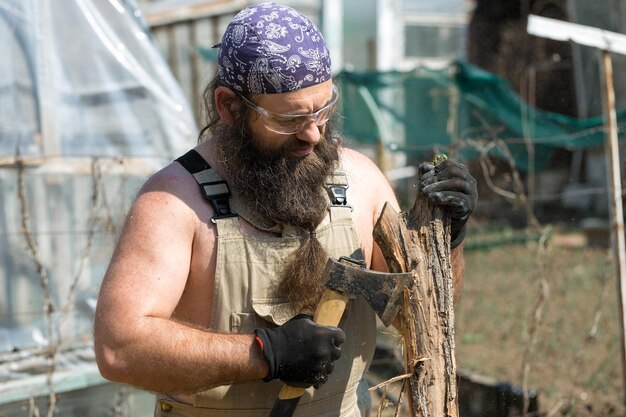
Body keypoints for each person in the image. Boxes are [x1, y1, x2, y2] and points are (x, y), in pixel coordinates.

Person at [93, 2, 477, 416]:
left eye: (322, 110)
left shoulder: (360, 182)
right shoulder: (175, 202)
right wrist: (263, 354)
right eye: (290, 120)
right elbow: (119, 349)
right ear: (229, 107)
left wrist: (446, 243)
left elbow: (421, 316)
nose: (313, 135)